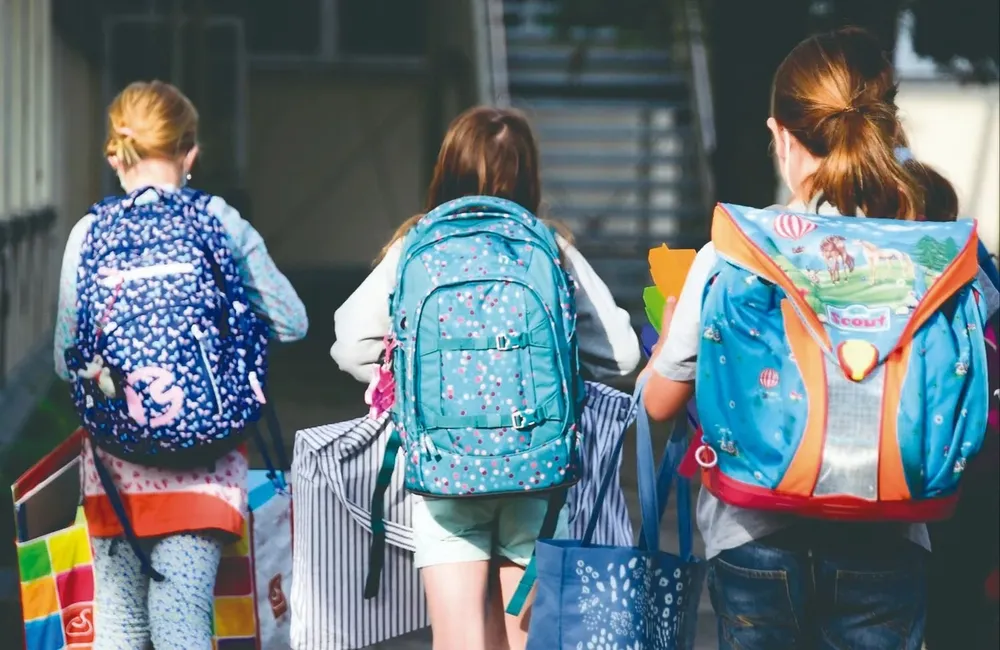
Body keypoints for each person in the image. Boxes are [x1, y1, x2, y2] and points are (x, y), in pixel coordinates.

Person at [641, 27, 999, 650]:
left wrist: (669, 340)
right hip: (889, 533)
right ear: (886, 130)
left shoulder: (733, 253)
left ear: (780, 137)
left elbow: (657, 405)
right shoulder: (942, 257)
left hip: (752, 535)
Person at [331, 106, 641, 650]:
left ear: (446, 170)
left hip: (444, 467)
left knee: (458, 642)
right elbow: (622, 354)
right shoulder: (550, 248)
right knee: (528, 641)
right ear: (530, 175)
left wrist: (404, 382)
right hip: (538, 469)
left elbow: (349, 340)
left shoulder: (414, 246)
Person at [53, 80, 308, 650]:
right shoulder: (220, 222)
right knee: (182, 620)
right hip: (204, 467)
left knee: (119, 625)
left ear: (116, 152)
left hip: (114, 467)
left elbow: (62, 358)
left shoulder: (88, 234)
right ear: (190, 152)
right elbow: (293, 321)